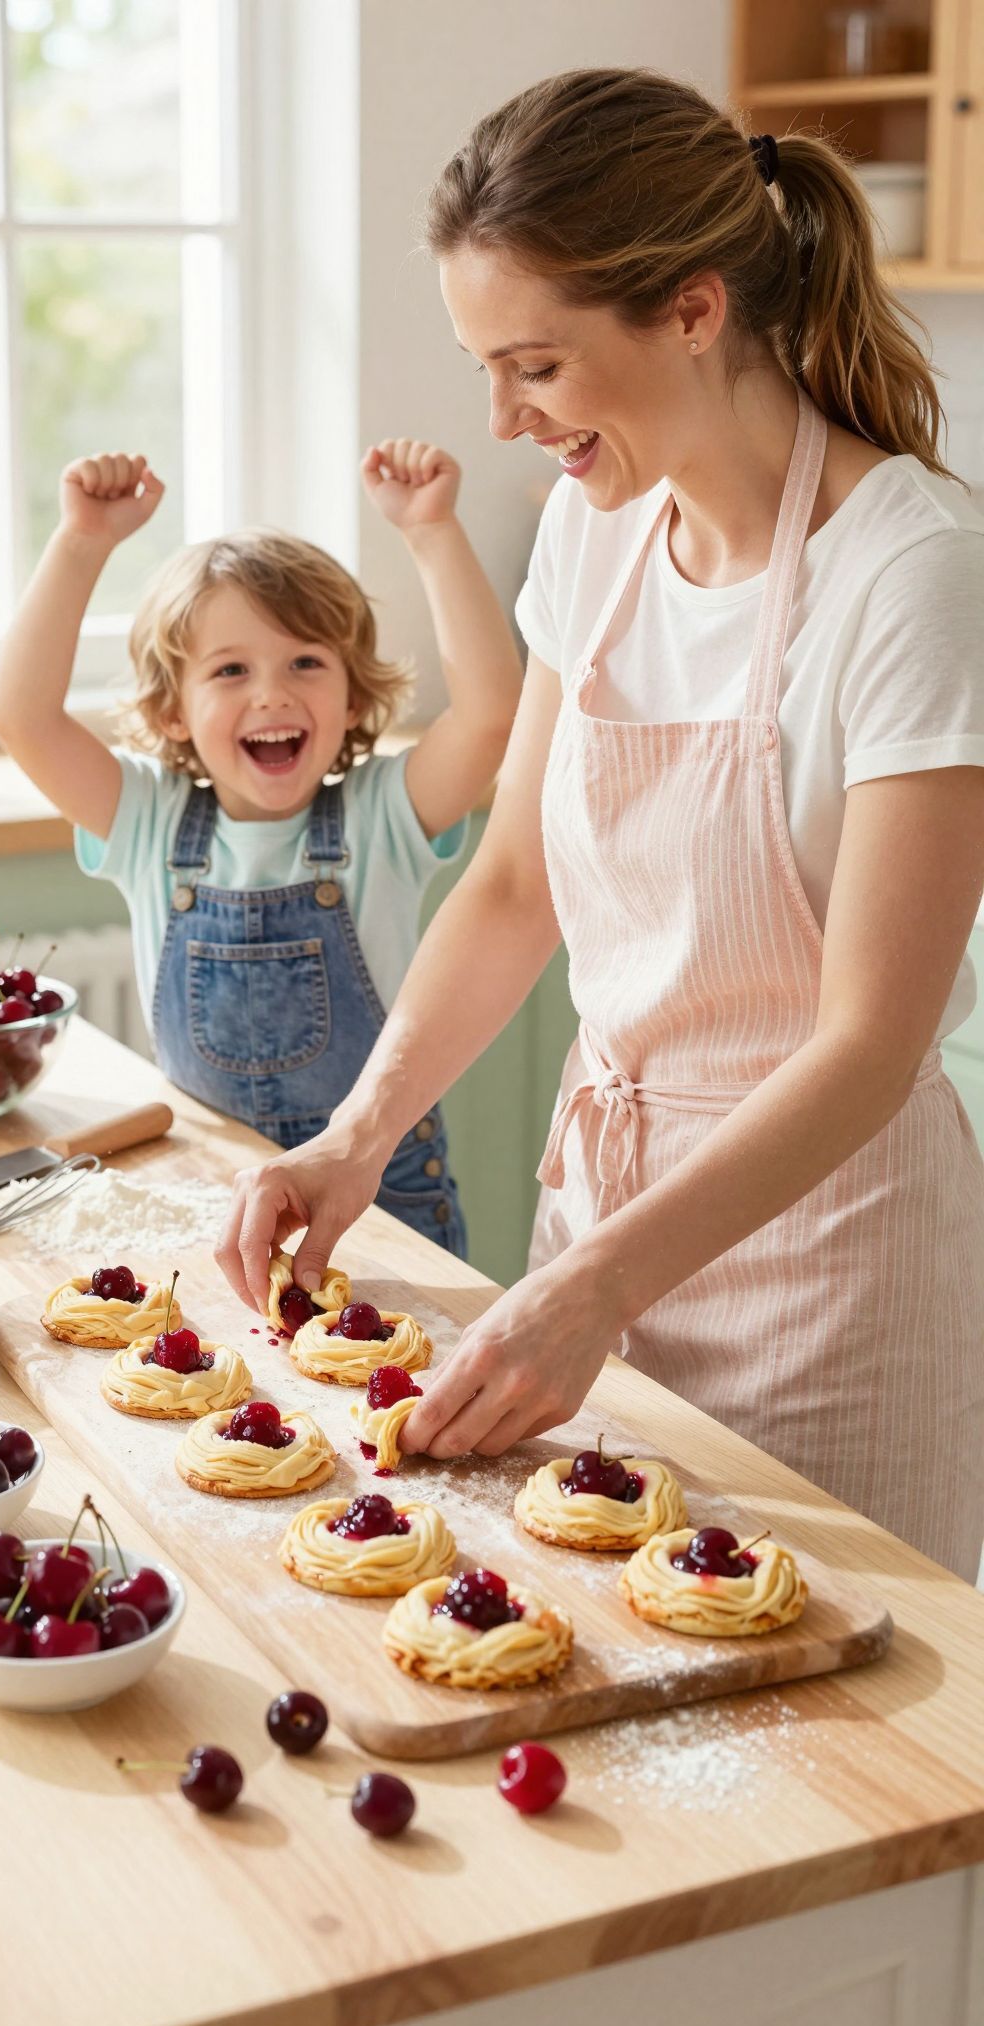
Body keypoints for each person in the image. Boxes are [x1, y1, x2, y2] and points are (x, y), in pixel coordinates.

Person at [217, 68, 984, 1580]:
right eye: (485, 368)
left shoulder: (916, 576)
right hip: (599, 1220)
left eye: (538, 369)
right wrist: (355, 1138)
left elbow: (869, 1045)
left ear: (693, 312)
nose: (503, 420)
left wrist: (586, 1292)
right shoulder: (596, 526)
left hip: (830, 1278)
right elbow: (513, 886)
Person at [0, 438, 523, 1254]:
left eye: (306, 661)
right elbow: (22, 716)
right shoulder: (147, 821)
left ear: (352, 699)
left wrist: (431, 532)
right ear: (174, 712)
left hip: (376, 1196)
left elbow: (490, 713)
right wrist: (80, 543)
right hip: (206, 1194)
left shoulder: (385, 816)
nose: (273, 692)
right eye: (230, 670)